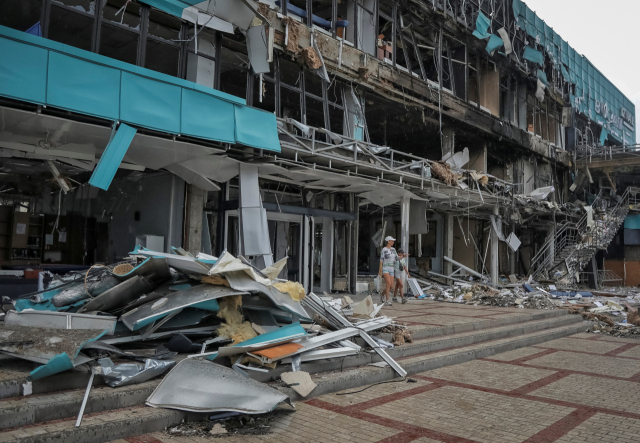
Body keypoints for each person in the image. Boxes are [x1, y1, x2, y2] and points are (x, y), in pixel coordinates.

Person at [378, 236, 398, 306]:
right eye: (392, 241)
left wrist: (402, 256)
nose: (393, 242)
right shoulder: (384, 249)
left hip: (391, 268)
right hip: (385, 267)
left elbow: (396, 258)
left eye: (393, 241)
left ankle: (382, 294)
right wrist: (380, 271)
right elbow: (381, 260)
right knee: (388, 283)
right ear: (388, 241)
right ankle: (387, 300)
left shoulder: (393, 249)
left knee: (391, 286)